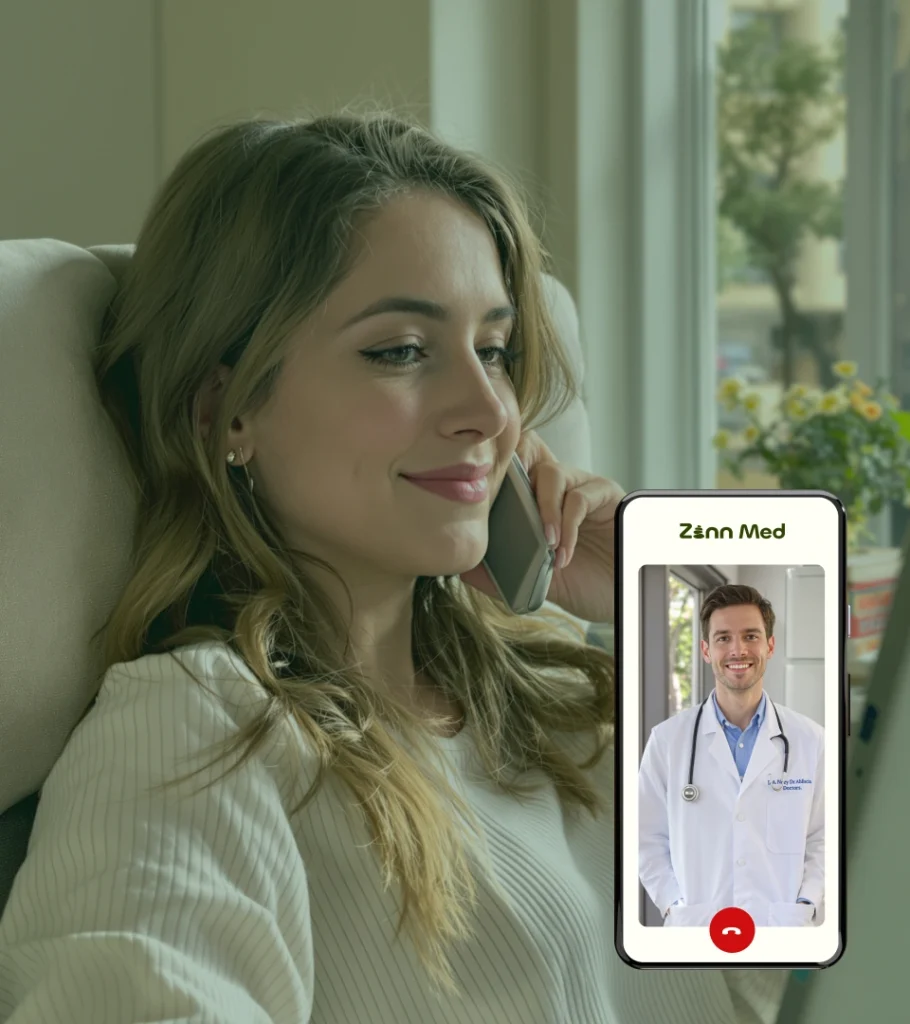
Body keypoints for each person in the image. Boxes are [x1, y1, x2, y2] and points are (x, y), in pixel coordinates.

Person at [0, 112, 786, 1022]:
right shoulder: (197, 737)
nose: (489, 411)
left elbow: (787, 973)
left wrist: (679, 594)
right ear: (229, 413)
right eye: (401, 351)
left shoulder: (572, 700)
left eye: (492, 350)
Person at [639, 583, 825, 929]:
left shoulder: (810, 740)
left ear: (770, 645)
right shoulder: (667, 741)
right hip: (696, 931)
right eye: (723, 638)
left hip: (782, 931)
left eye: (751, 636)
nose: (738, 650)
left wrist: (804, 904)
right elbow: (645, 838)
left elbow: (825, 837)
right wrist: (674, 906)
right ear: (706, 650)